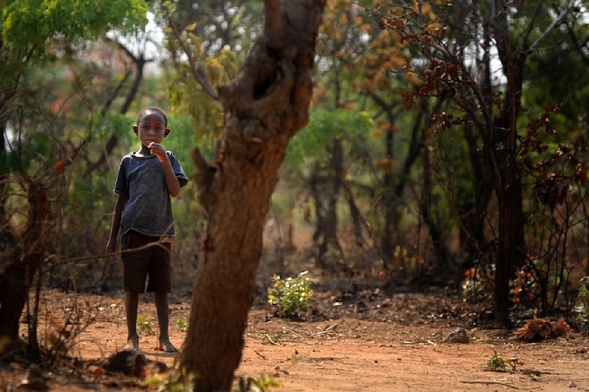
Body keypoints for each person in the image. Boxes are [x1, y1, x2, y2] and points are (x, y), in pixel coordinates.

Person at [106, 106, 188, 352]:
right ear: (136, 130)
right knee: (132, 286)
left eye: (158, 128)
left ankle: (164, 337)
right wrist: (112, 238)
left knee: (161, 288)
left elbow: (175, 190)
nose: (152, 133)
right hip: (132, 230)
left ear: (166, 132)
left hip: (161, 233)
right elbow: (120, 202)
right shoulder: (128, 162)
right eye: (146, 127)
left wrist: (163, 161)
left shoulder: (170, 158)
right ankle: (132, 337)